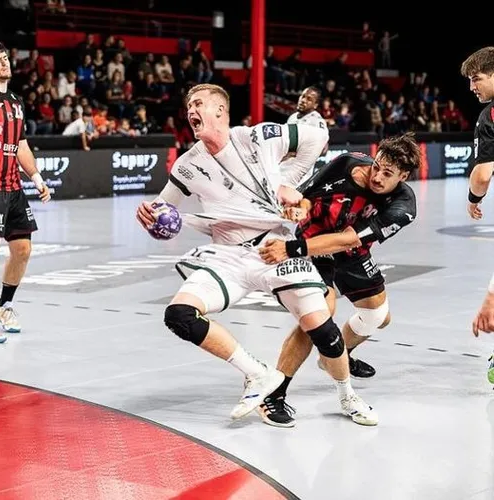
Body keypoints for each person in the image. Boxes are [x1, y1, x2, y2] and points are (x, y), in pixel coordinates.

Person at [136, 83, 378, 425]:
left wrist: (288, 180)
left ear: (221, 111)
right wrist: (149, 215)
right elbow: (162, 206)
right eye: (188, 104)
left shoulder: (257, 137)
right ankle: (257, 374)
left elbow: (314, 138)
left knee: (323, 332)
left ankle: (347, 396)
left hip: (276, 248)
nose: (191, 109)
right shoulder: (187, 165)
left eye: (199, 103)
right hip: (229, 256)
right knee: (179, 314)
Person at [257, 133, 420, 427]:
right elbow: (308, 196)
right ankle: (273, 395)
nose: (377, 177)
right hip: (313, 242)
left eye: (388, 174)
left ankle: (337, 354)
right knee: (318, 317)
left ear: (403, 176)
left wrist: (289, 249)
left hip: (348, 248)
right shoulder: (346, 163)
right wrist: (298, 209)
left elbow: (349, 239)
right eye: (377, 166)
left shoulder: (403, 207)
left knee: (378, 315)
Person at [0, 41, 51, 342]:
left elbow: (21, 145)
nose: (5, 63)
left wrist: (37, 177)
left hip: (13, 186)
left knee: (23, 249)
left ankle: (5, 306)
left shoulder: (16, 101)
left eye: (6, 58)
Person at [460, 46, 494, 382]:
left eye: (477, 78)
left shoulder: (490, 116)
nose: (472, 87)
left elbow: (482, 174)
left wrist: (473, 198)